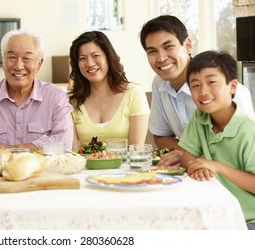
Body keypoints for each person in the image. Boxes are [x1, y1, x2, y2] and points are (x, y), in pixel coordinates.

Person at [139, 15, 254, 166]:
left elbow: (245, 149)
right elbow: (160, 137)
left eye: (168, 47)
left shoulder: (227, 90)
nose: (161, 58)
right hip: (194, 171)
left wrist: (189, 155)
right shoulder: (159, 82)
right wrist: (187, 154)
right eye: (152, 51)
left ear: (187, 45)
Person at [178, 50, 255, 230]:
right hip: (217, 215)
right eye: (195, 85)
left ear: (233, 86)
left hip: (247, 220)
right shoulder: (200, 117)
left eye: (211, 82)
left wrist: (217, 166)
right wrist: (195, 167)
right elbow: (187, 157)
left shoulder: (248, 130)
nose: (203, 92)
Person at [0, 29, 73, 156]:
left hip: (44, 174)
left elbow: (63, 146)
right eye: (12, 57)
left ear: (39, 64)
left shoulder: (56, 97)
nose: (19, 66)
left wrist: (8, 149)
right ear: (3, 61)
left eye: (27, 58)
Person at [68, 30, 150, 148]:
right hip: (85, 166)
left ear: (108, 57)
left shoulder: (134, 93)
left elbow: (136, 150)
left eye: (95, 55)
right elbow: (74, 154)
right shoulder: (71, 102)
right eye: (82, 58)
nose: (90, 63)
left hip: (126, 166)